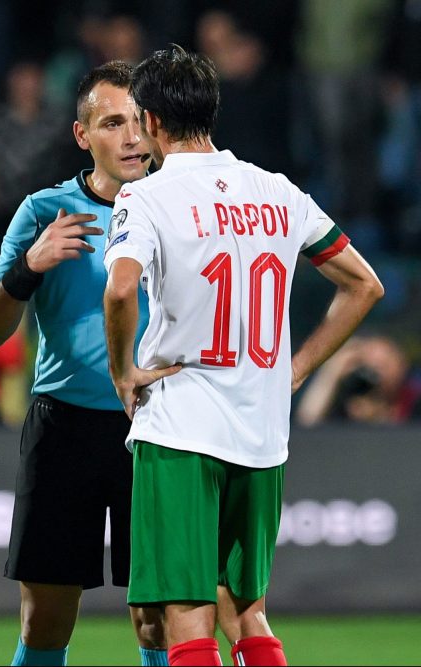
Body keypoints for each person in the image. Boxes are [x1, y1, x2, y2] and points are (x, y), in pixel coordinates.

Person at [103, 45, 384, 666]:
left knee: (186, 613)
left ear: (149, 120)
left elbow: (121, 287)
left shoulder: (145, 198)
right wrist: (295, 369)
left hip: (181, 428)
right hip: (261, 432)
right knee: (247, 608)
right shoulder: (277, 191)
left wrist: (123, 372)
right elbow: (364, 285)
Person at [0, 62, 167, 667]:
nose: (132, 136)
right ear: (84, 135)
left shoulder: (179, 204)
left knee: (160, 618)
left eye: (139, 121)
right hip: (65, 427)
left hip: (158, 426)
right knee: (47, 617)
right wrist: (30, 267)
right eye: (113, 122)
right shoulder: (44, 211)